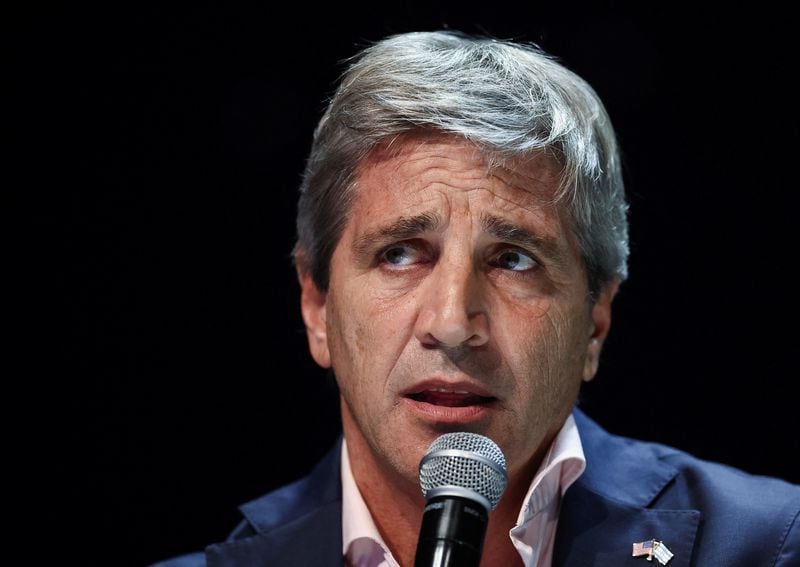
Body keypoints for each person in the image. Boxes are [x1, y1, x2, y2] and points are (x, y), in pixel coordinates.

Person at [153, 30, 799, 566]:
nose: (452, 323)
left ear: (596, 321)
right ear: (317, 306)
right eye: (400, 252)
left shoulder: (771, 544)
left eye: (513, 260)